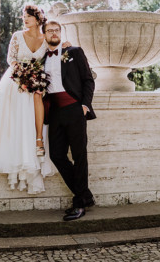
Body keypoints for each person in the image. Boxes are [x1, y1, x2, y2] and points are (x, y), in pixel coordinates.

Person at [0, 5, 57, 194]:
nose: (24, 19)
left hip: (37, 82)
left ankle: (36, 148)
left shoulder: (45, 38)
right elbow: (11, 59)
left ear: (37, 18)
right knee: (17, 121)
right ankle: (17, 161)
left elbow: (54, 53)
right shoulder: (17, 35)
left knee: (33, 116)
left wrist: (65, 46)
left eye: (28, 17)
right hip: (16, 80)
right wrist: (23, 74)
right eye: (23, 17)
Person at [43, 20, 97, 221]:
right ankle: (86, 195)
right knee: (57, 155)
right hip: (55, 112)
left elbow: (88, 80)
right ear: (45, 35)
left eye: (57, 30)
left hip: (75, 109)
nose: (54, 33)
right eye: (50, 31)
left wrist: (84, 105)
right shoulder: (40, 58)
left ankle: (79, 203)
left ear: (61, 33)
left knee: (79, 155)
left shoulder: (74, 52)